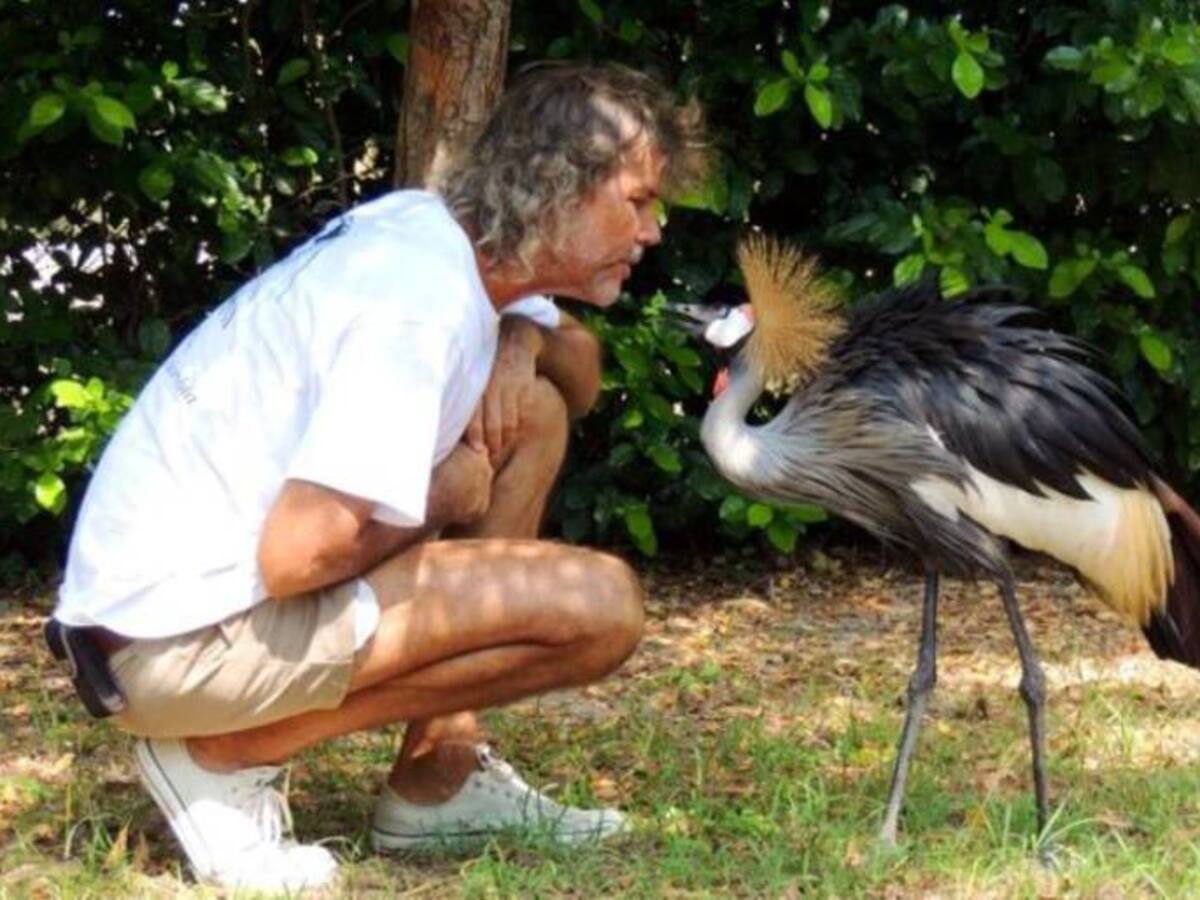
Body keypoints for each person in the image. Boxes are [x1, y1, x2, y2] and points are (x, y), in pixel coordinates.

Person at [51, 63, 706, 892]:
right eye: (638, 201)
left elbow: (580, 380)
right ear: (556, 189)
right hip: (171, 648)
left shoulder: (437, 234)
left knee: (533, 409)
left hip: (153, 618)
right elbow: (297, 555)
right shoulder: (414, 309)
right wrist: (447, 494)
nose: (653, 231)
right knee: (600, 610)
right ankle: (225, 752)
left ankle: (437, 780)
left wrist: (524, 342)